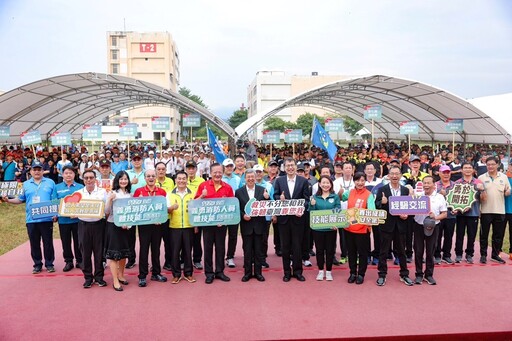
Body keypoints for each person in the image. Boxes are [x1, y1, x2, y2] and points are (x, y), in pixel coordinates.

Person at [2, 161, 56, 274]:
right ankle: (37, 264)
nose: (36, 172)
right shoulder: (26, 184)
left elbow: (54, 200)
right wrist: (8, 200)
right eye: (34, 170)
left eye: (39, 169)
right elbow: (20, 199)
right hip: (31, 219)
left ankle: (49, 264)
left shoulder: (50, 182)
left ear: (42, 171)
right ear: (30, 171)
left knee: (48, 242)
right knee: (34, 242)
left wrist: (55, 213)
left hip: (46, 218)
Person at [195, 163, 235, 284]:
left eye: (219, 172)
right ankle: (209, 273)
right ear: (210, 173)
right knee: (207, 248)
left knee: (220, 248)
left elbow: (231, 206)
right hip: (207, 225)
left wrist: (224, 221)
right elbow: (194, 204)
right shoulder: (203, 186)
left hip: (221, 225)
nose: (217, 174)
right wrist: (202, 195)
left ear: (222, 173)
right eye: (215, 172)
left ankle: (219, 271)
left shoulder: (227, 187)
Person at [374, 165, 414, 286]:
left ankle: (404, 274)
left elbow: (409, 207)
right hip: (386, 225)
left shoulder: (405, 190)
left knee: (402, 251)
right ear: (388, 176)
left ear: (401, 176)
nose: (395, 176)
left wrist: (406, 214)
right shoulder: (382, 189)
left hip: (401, 225)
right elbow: (376, 204)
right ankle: (382, 275)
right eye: (392, 174)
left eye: (397, 174)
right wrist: (382, 202)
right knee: (383, 251)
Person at [273, 158, 310, 282]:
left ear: (295, 166)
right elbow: (275, 195)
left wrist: (301, 209)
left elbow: (306, 200)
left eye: (292, 165)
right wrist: (280, 198)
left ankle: (298, 271)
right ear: (284, 167)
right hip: (284, 219)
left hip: (298, 219)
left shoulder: (303, 181)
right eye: (287, 165)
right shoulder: (279, 181)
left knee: (297, 246)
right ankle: (287, 272)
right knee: (285, 246)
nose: (290, 167)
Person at [133, 169, 169, 287]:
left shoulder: (162, 192)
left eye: (153, 176)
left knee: (156, 250)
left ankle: (156, 273)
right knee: (143, 250)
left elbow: (165, 208)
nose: (151, 178)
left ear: (156, 177)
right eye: (148, 176)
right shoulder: (139, 191)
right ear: (145, 178)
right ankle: (142, 276)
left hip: (158, 225)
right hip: (144, 226)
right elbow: (134, 209)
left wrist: (161, 217)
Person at [341, 172, 375, 285]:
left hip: (362, 229)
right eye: (357, 180)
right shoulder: (350, 192)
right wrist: (340, 193)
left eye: (362, 180)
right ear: (354, 181)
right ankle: (352, 273)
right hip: (349, 228)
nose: (360, 183)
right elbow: (341, 197)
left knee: (363, 253)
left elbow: (372, 212)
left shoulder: (369, 195)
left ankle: (361, 274)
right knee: (351, 252)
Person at [235, 169, 269, 282]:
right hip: (246, 225)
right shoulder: (239, 192)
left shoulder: (262, 190)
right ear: (245, 178)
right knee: (247, 250)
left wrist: (267, 198)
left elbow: (266, 207)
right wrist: (243, 215)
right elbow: (237, 209)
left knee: (259, 250)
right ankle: (247, 273)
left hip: (259, 225)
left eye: (252, 177)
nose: (250, 179)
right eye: (248, 177)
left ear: (255, 178)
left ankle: (258, 273)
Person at [413, 176, 447, 285]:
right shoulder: (418, 196)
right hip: (418, 226)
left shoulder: (439, 197)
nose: (426, 185)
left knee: (430, 251)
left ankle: (429, 274)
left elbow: (444, 214)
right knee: (418, 251)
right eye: (424, 183)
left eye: (428, 183)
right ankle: (418, 274)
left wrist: (435, 217)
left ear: (434, 185)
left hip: (433, 226)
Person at [77, 170, 108, 288]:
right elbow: (73, 209)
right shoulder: (78, 193)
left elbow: (106, 209)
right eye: (86, 178)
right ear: (83, 179)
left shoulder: (102, 192)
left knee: (99, 252)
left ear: (96, 179)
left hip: (99, 225)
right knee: (85, 252)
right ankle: (88, 278)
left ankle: (99, 277)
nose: (89, 180)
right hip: (83, 225)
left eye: (91, 177)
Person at [104, 171, 133, 291]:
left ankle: (121, 275)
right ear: (117, 180)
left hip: (126, 228)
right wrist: (109, 200)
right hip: (113, 226)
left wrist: (128, 224)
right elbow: (106, 212)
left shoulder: (129, 195)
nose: (123, 181)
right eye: (121, 179)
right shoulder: (112, 193)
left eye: (125, 179)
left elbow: (132, 212)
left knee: (123, 253)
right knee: (114, 255)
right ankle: (115, 280)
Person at [478, 156, 511, 264]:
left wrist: (507, 192)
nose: (490, 166)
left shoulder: (504, 177)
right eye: (488, 165)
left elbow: (508, 189)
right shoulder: (482, 177)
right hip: (485, 210)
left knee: (498, 234)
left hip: (500, 210)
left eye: (493, 164)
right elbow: (478, 195)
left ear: (497, 165)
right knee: (484, 234)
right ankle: (483, 254)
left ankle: (495, 254)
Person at [51, 165, 84, 272]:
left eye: (71, 172)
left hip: (77, 220)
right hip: (63, 220)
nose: (68, 175)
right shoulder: (57, 187)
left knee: (78, 241)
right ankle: (68, 261)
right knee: (65, 241)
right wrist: (55, 215)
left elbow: (84, 202)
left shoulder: (80, 187)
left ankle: (80, 261)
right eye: (66, 173)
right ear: (62, 174)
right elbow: (54, 202)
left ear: (75, 174)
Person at [309, 176, 341, 281]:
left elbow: (338, 210)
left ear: (331, 184)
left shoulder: (335, 196)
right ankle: (320, 270)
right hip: (318, 229)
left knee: (330, 251)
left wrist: (336, 223)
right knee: (319, 250)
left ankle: (328, 271)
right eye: (323, 183)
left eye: (328, 183)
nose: (325, 185)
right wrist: (312, 205)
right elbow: (311, 212)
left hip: (331, 229)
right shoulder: (315, 197)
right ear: (319, 184)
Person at [168, 171, 196, 284]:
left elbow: (197, 211)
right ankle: (176, 274)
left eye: (184, 179)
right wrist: (170, 208)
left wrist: (195, 226)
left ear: (187, 180)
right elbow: (165, 210)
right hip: (174, 227)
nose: (181, 181)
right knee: (175, 252)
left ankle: (188, 273)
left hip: (189, 226)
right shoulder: (169, 194)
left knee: (188, 251)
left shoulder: (193, 193)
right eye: (179, 179)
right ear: (175, 180)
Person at [454, 162, 484, 264]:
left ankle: (469, 254)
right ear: (461, 170)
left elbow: (484, 199)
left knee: (472, 235)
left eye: (469, 168)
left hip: (474, 213)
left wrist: (482, 190)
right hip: (460, 213)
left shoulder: (478, 182)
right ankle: (458, 254)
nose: (467, 169)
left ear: (473, 170)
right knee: (459, 234)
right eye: (465, 168)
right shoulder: (457, 183)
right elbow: (454, 199)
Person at [125, 152, 146, 269]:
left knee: (144, 236)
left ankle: (143, 260)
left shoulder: (147, 174)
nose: (137, 161)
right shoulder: (127, 174)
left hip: (144, 208)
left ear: (142, 161)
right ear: (131, 161)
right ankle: (131, 259)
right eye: (134, 159)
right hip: (130, 208)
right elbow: (120, 186)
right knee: (130, 236)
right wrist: (130, 182)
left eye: (139, 159)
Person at [434, 165, 456, 265]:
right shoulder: (434, 185)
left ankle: (447, 255)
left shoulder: (456, 185)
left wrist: (457, 209)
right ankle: (437, 255)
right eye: (444, 172)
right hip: (438, 215)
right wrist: (440, 194)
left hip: (451, 214)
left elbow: (459, 201)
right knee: (437, 236)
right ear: (439, 173)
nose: (446, 174)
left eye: (448, 172)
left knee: (449, 236)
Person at [155, 161, 175, 271]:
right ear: (155, 171)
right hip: (156, 218)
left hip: (168, 217)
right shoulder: (152, 180)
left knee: (169, 242)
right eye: (159, 169)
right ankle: (155, 264)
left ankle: (168, 262)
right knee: (155, 244)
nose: (161, 171)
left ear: (166, 170)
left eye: (163, 169)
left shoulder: (171, 181)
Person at [185, 160, 205, 269]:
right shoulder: (182, 179)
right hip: (184, 212)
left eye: (193, 168)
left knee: (197, 238)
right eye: (189, 168)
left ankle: (197, 260)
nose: (191, 170)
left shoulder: (201, 181)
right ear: (186, 169)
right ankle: (184, 259)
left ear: (196, 169)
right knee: (185, 238)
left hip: (197, 212)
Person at [222, 158, 242, 268]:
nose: (229, 168)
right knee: (221, 235)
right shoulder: (220, 178)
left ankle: (230, 256)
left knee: (233, 235)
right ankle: (221, 256)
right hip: (222, 211)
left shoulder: (238, 179)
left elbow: (241, 192)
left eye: (231, 166)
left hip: (234, 211)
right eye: (227, 166)